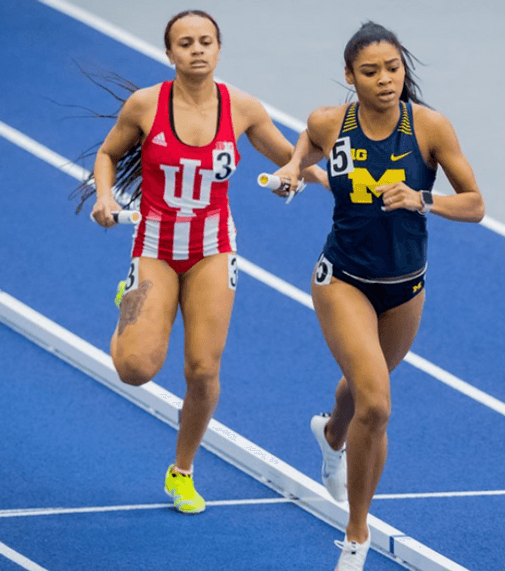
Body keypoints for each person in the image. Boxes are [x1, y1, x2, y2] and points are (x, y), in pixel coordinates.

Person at [86, 9, 326, 515]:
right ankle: (129, 299)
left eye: (206, 41)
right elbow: (108, 155)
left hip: (212, 250)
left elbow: (291, 158)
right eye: (186, 43)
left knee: (201, 368)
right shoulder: (145, 106)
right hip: (153, 247)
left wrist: (302, 175)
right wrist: (104, 197)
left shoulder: (241, 108)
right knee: (134, 369)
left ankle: (183, 471)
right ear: (170, 53)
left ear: (219, 49)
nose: (197, 49)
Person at [271, 21, 485, 570]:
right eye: (371, 72)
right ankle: (357, 536)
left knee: (361, 394)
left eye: (393, 68)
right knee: (378, 403)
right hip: (342, 278)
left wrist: (423, 199)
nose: (385, 79)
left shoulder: (431, 129)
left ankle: (330, 434)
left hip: (405, 285)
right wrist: (297, 168)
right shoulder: (331, 121)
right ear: (350, 77)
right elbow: (310, 142)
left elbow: (476, 204)